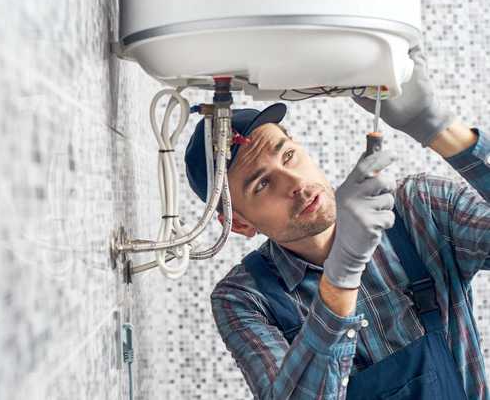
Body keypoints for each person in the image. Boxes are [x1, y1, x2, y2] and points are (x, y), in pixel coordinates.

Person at [184, 46, 490, 399]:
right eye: (263, 183)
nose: (295, 183)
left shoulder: (420, 209)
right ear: (238, 224)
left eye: (288, 155)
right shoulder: (245, 299)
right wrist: (342, 275)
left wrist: (438, 127)